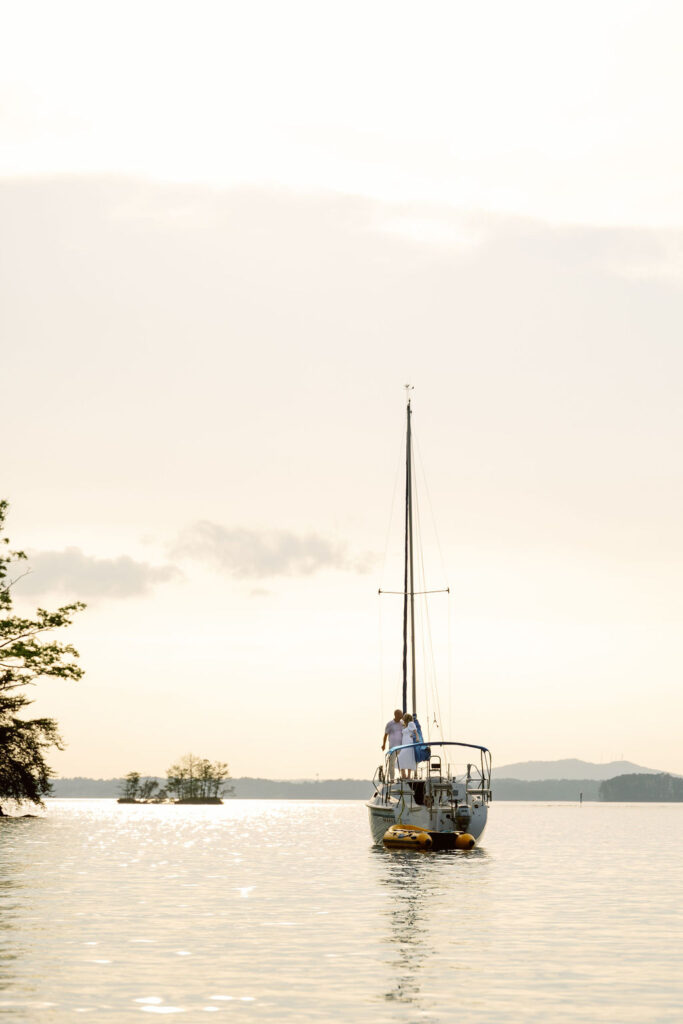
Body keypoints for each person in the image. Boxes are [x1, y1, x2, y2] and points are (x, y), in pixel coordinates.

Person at [381, 709, 404, 782]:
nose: (402, 715)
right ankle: (392, 779)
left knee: (402, 762)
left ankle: (403, 777)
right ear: (396, 715)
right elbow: (385, 735)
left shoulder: (402, 723)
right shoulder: (390, 724)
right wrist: (383, 745)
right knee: (392, 764)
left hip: (401, 746)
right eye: (400, 714)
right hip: (393, 747)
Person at [398, 712, 418, 779]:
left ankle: (408, 776)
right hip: (404, 743)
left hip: (409, 742)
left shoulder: (411, 723)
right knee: (402, 758)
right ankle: (404, 775)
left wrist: (417, 738)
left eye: (404, 717)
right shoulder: (405, 725)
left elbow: (415, 732)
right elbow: (399, 721)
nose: (403, 718)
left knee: (408, 758)